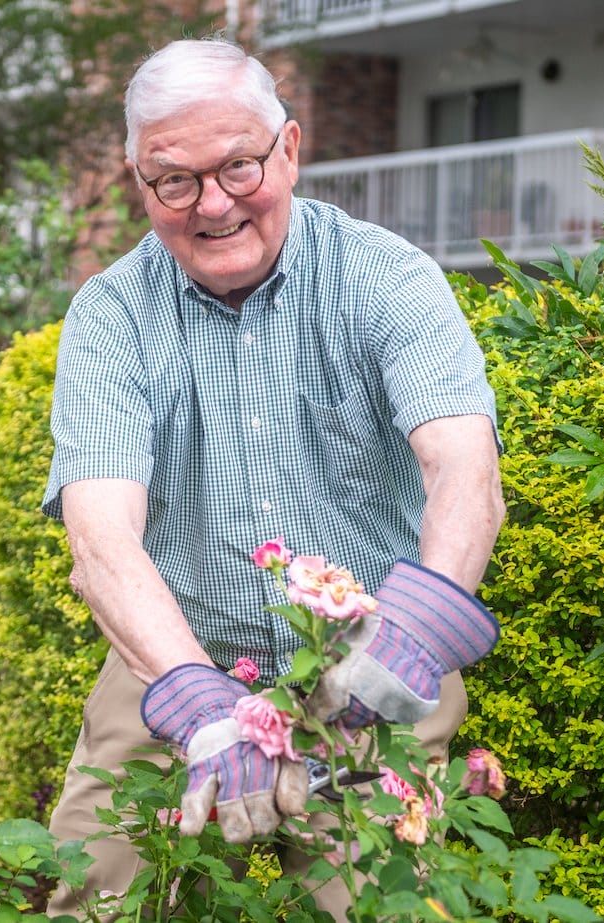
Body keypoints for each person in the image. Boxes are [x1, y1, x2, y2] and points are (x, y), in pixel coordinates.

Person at [39, 35, 506, 919]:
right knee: (100, 895)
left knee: (384, 906)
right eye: (174, 179)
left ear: (289, 149)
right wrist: (200, 702)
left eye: (240, 167)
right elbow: (102, 540)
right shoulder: (109, 316)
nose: (212, 204)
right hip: (172, 659)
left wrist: (405, 642)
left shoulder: (386, 276)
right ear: (139, 178)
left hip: (370, 661)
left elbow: (465, 477)